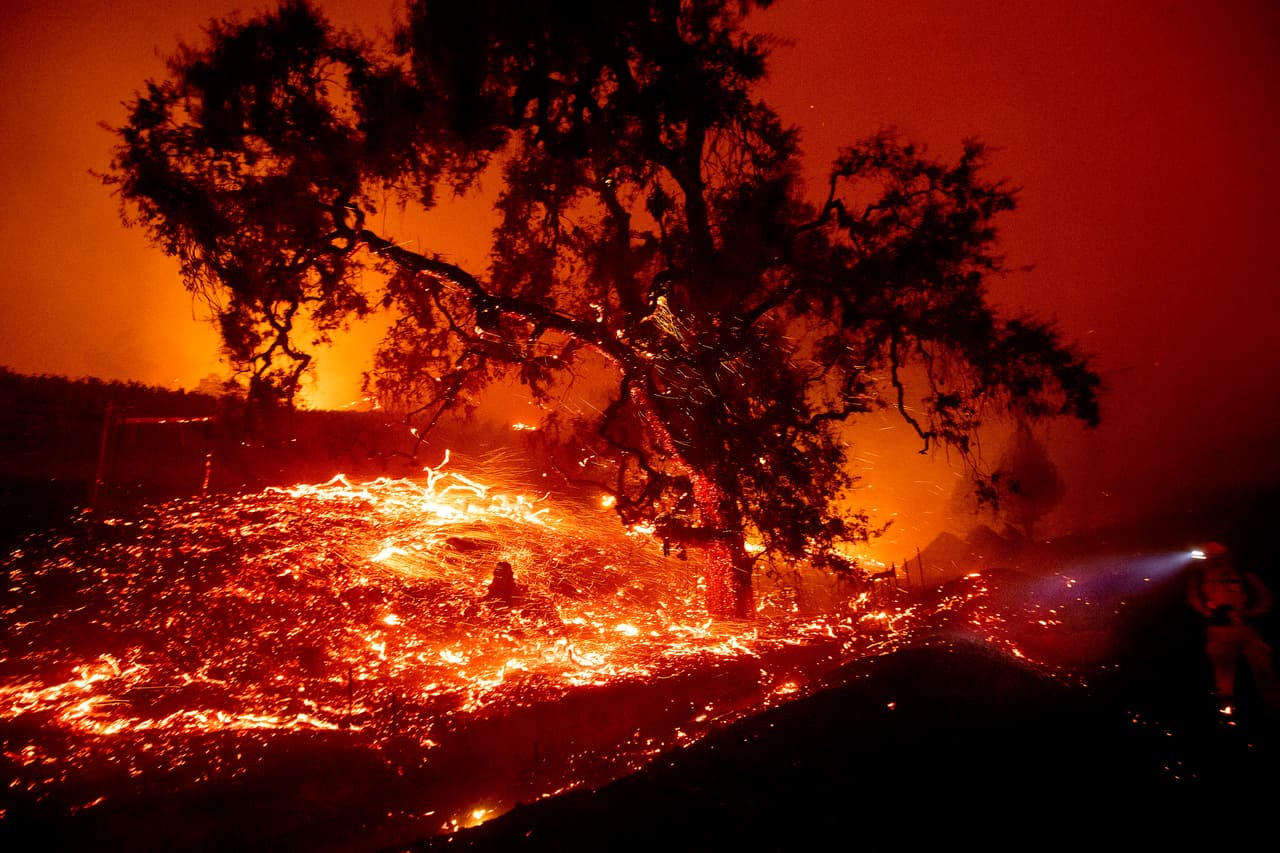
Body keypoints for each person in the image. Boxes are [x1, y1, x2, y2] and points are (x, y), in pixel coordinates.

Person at [1187, 541, 1280, 712]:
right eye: (1211, 559)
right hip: (1218, 630)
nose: (1215, 562)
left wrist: (1249, 613)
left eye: (1218, 558)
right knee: (1224, 675)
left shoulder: (1244, 575)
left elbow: (1266, 598)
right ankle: (1227, 712)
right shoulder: (1200, 577)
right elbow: (1194, 599)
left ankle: (1273, 705)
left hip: (1245, 629)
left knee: (1263, 668)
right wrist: (1210, 612)